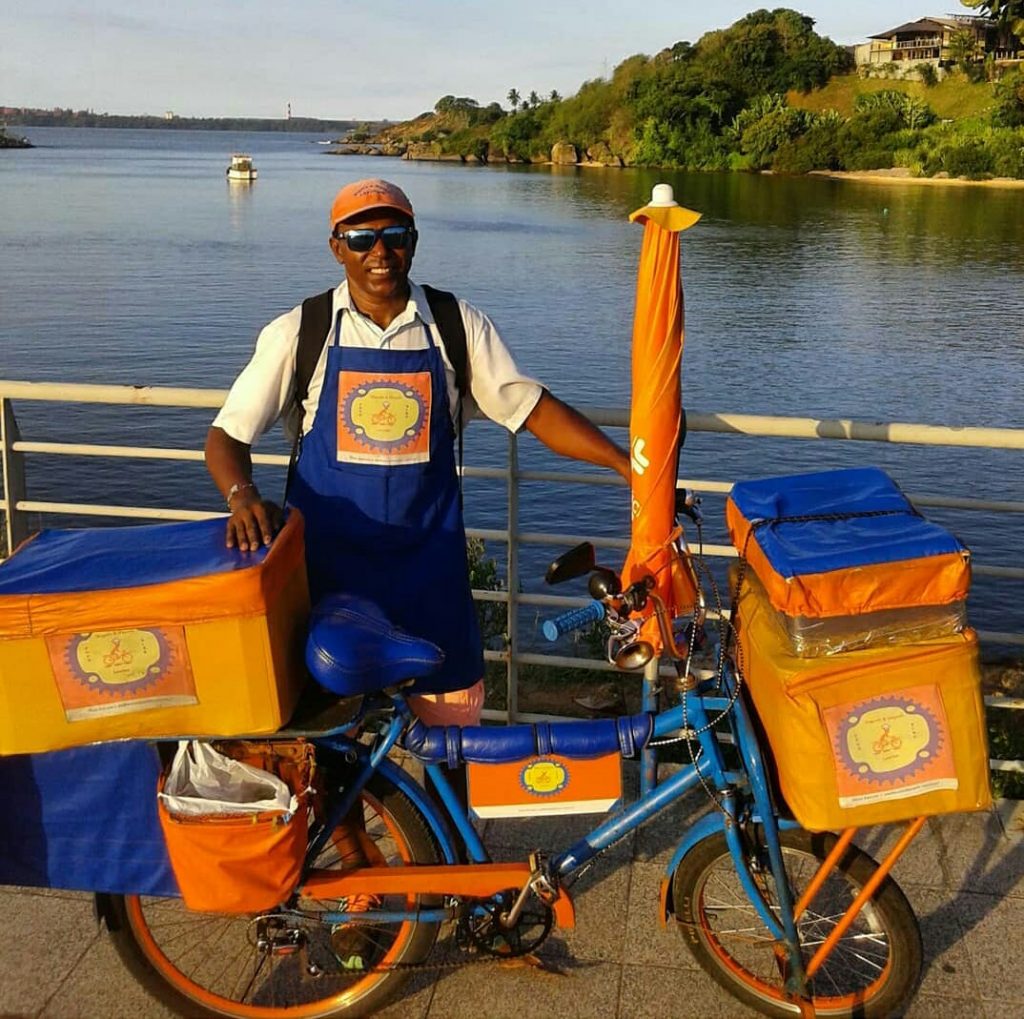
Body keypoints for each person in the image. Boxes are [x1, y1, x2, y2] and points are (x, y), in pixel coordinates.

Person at [205, 177, 629, 732]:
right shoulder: (300, 332)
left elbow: (534, 411)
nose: (379, 252)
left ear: (414, 240)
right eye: (361, 238)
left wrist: (628, 467)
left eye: (395, 234)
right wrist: (242, 496)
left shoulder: (455, 326)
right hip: (327, 583)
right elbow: (227, 437)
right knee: (331, 756)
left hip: (430, 577)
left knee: (452, 740)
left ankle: (440, 822)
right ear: (337, 247)